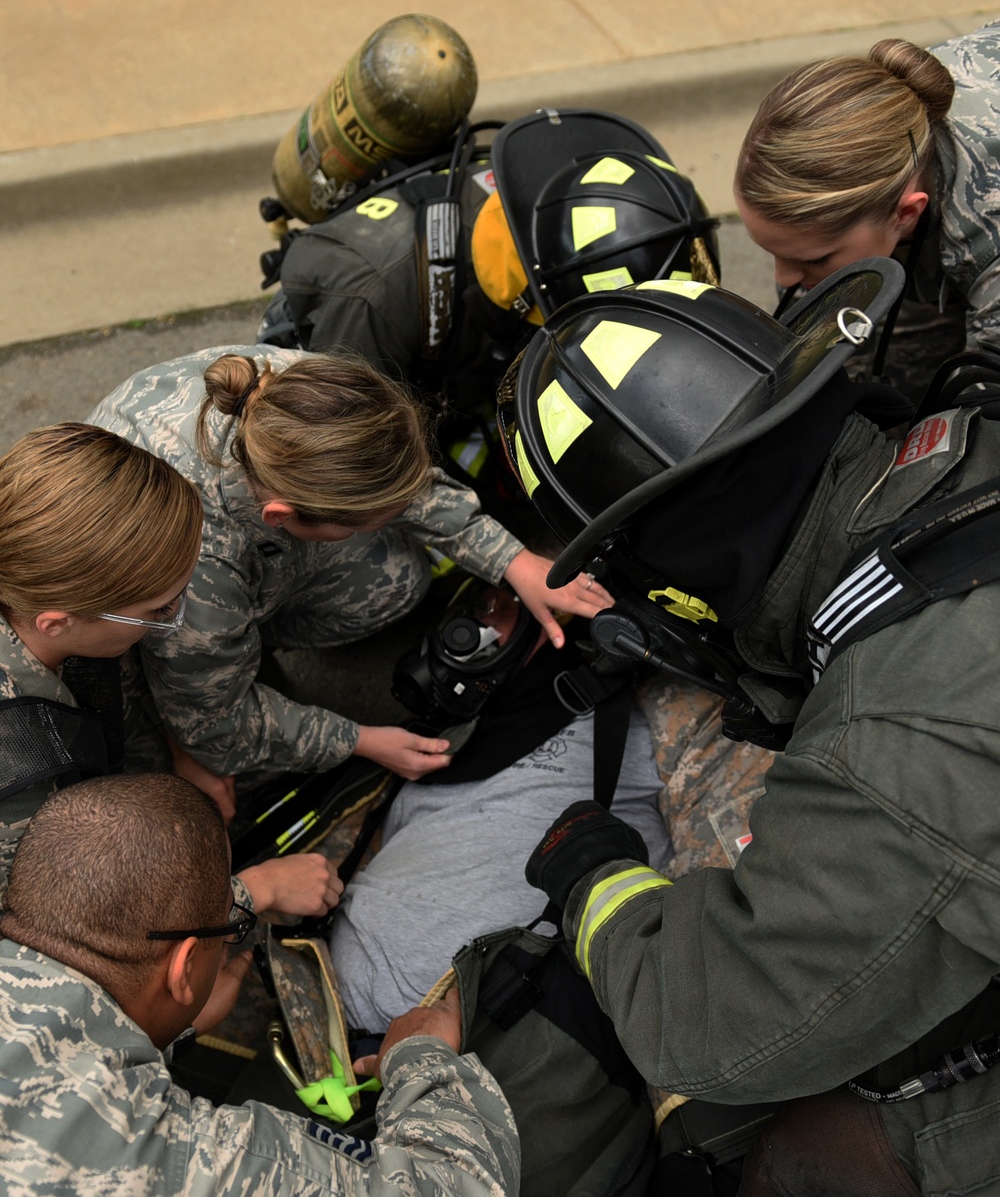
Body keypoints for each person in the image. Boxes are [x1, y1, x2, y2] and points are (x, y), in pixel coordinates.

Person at [500, 263, 1000, 1193]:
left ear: (673, 574)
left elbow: (711, 1031)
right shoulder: (966, 447)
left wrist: (593, 878)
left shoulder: (890, 737)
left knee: (812, 1162)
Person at [89, 346, 611, 788]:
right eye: (356, 525)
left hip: (216, 550)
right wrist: (360, 740)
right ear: (282, 516)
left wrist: (513, 560)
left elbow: (396, 478)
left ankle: (234, 651)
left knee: (396, 577)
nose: (369, 530)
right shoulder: (196, 564)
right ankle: (223, 660)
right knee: (174, 766)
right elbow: (217, 732)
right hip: (125, 615)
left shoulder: (300, 391)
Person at [0, 772, 519, 1195]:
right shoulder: (174, 1156)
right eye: (227, 930)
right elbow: (457, 1187)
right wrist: (422, 1057)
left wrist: (254, 890)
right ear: (182, 972)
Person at [0, 423, 341, 919]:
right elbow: (58, 933)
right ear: (57, 623)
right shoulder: (18, 776)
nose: (176, 617)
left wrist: (181, 745)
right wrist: (251, 892)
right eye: (160, 610)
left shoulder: (38, 563)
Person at [325, 583, 673, 1033]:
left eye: (498, 609)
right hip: (327, 1016)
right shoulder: (426, 748)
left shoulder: (628, 721)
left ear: (551, 624)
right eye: (472, 609)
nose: (474, 625)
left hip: (473, 1037)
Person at [261, 109, 719, 425]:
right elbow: (352, 462)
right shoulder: (375, 298)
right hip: (355, 376)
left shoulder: (549, 198)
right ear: (530, 302)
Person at [735, 19, 1000, 355]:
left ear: (905, 213)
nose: (783, 277)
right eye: (774, 250)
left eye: (815, 258)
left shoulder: (990, 227)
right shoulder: (897, 104)